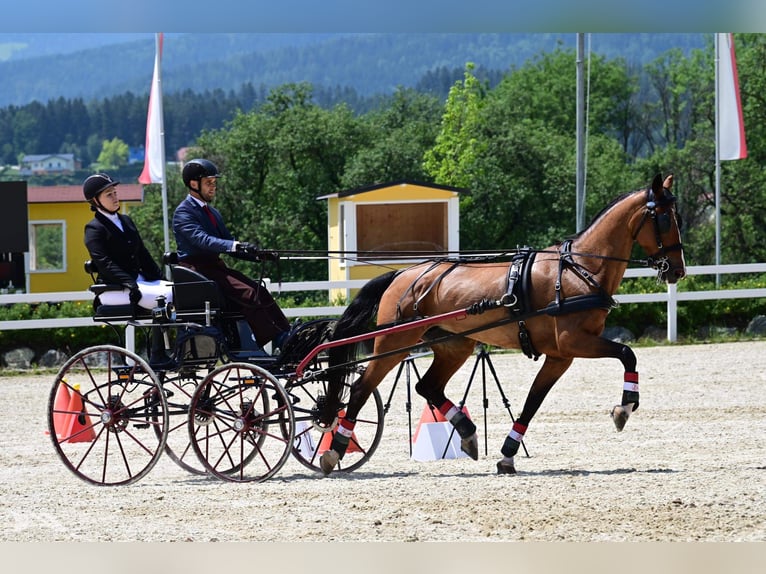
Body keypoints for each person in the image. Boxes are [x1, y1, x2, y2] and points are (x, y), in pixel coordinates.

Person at [172, 158, 291, 350]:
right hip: (197, 271)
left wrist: (258, 255)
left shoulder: (212, 213)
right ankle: (277, 339)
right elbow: (203, 240)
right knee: (249, 293)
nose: (213, 187)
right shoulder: (183, 213)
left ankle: (286, 333)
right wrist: (235, 245)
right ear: (194, 184)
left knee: (259, 290)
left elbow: (228, 243)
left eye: (214, 183)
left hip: (215, 268)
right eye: (209, 183)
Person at [83, 172, 173, 311]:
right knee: (168, 296)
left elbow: (143, 255)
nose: (115, 197)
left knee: (177, 290)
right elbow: (104, 263)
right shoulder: (94, 229)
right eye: (109, 195)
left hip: (140, 282)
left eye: (115, 193)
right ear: (95, 201)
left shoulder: (126, 221)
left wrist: (163, 279)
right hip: (114, 288)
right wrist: (129, 283)